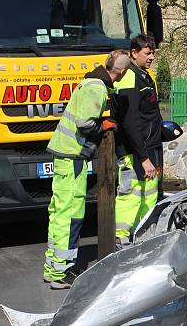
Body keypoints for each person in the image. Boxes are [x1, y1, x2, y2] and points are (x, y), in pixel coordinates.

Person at [43, 50, 130, 290]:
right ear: (121, 72)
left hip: (65, 155)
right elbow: (84, 122)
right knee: (71, 214)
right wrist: (104, 124)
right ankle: (61, 272)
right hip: (72, 156)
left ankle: (54, 268)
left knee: (60, 212)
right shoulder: (97, 88)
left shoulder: (91, 81)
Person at [112, 34, 163, 246]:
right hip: (135, 152)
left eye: (153, 52)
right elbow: (130, 123)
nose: (151, 56)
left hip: (146, 148)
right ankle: (121, 239)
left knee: (147, 195)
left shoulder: (143, 75)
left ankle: (140, 237)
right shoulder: (131, 77)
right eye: (147, 52)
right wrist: (143, 157)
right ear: (134, 53)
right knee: (131, 195)